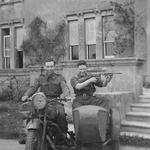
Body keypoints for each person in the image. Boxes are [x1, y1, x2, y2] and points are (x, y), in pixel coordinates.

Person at [20, 58, 70, 144]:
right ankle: (28, 135)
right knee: (31, 114)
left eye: (51, 66)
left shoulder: (59, 77)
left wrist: (65, 95)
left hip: (56, 101)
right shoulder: (41, 78)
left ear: (54, 67)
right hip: (42, 101)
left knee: (61, 114)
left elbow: (64, 87)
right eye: (48, 66)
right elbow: (33, 87)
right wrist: (26, 95)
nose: (49, 68)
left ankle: (62, 136)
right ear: (45, 67)